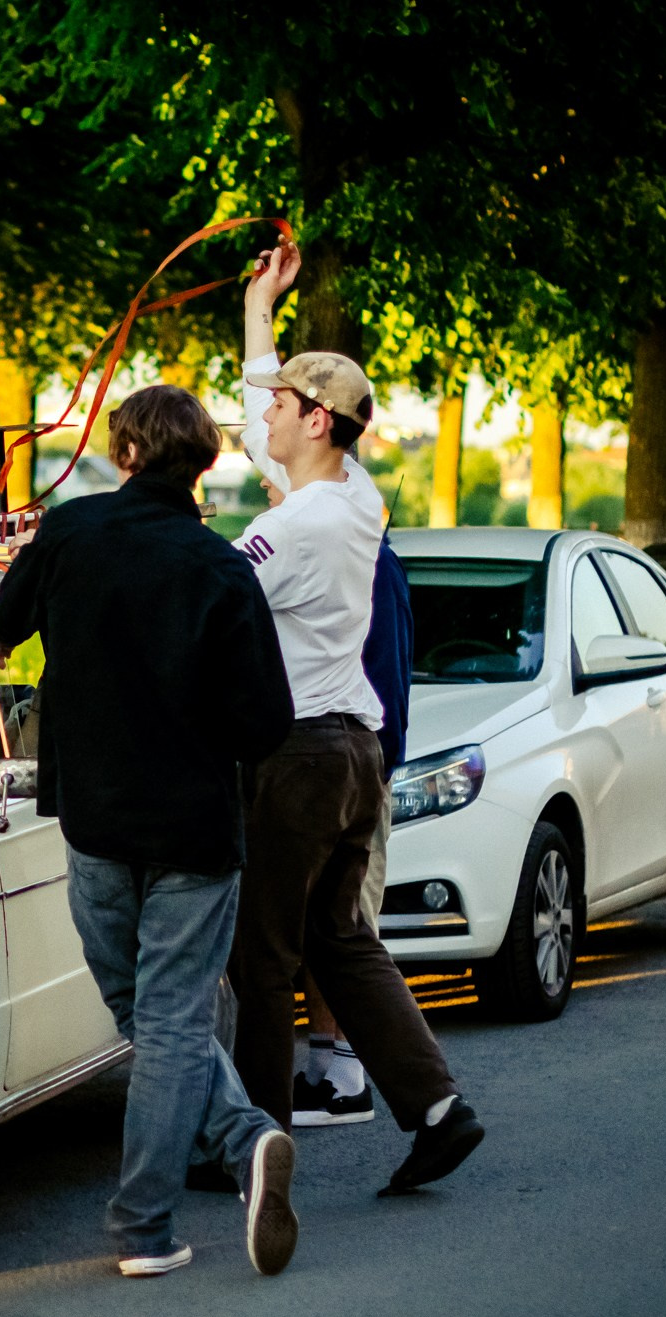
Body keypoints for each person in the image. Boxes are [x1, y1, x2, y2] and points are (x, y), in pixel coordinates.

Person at [0, 384, 300, 1279]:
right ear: (203, 465)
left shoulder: (70, 533)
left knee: (144, 1013)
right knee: (165, 1019)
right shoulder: (220, 568)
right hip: (196, 833)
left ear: (123, 452)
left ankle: (149, 1222)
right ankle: (239, 1148)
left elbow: (3, 631)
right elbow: (265, 724)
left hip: (92, 824)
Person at [230, 241, 484, 1194]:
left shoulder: (294, 527)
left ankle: (256, 1144)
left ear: (319, 419)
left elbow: (218, 593)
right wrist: (262, 311)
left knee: (266, 951)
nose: (266, 415)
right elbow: (266, 417)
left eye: (285, 405)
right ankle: (438, 1108)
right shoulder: (352, 494)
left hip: (296, 756)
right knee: (342, 938)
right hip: (355, 750)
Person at [256, 477, 416, 1126]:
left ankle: (350, 1076)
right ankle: (328, 1067)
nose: (273, 493)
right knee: (332, 926)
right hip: (360, 761)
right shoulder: (369, 559)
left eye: (281, 487)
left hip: (347, 762)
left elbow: (370, 672)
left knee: (343, 928)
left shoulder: (363, 564)